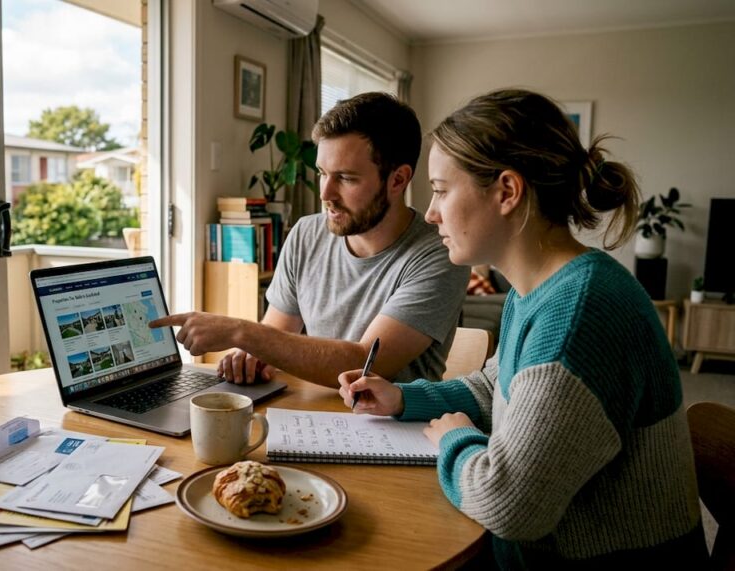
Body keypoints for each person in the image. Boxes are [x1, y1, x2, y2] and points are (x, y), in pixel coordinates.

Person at [338, 88, 707, 567]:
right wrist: (403, 399)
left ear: (507, 192)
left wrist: (455, 438)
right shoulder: (536, 289)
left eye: (442, 190)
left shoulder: (582, 312)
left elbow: (509, 504)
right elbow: (496, 388)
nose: (430, 212)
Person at [150, 92, 468, 387]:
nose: (325, 194)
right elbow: (275, 337)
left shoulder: (440, 252)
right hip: (308, 413)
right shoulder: (306, 234)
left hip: (394, 425)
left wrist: (240, 332)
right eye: (322, 173)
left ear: (397, 180)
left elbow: (366, 365)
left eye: (346, 178)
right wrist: (252, 357)